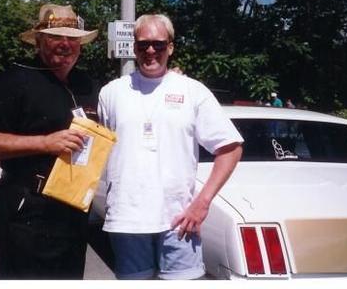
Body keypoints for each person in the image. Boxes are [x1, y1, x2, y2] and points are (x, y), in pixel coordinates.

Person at [97, 14, 244, 280]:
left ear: (171, 47)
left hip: (179, 221)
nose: (150, 51)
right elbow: (102, 151)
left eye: (159, 44)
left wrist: (202, 203)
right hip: (126, 219)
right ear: (133, 47)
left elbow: (230, 148)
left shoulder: (193, 91)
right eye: (143, 44)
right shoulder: (111, 93)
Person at [0, 4, 99, 279]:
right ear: (39, 41)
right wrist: (46, 143)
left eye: (72, 37)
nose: (65, 44)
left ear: (80, 44)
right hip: (28, 207)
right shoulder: (15, 80)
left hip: (73, 208)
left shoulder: (86, 84)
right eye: (55, 36)